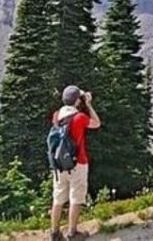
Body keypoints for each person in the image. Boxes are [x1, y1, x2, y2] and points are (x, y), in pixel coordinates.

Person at [50, 85, 101, 241]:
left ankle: (54, 232)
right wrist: (89, 104)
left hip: (59, 163)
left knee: (58, 199)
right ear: (77, 100)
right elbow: (96, 123)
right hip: (78, 162)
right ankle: (72, 233)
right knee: (75, 198)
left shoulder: (56, 115)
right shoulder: (79, 117)